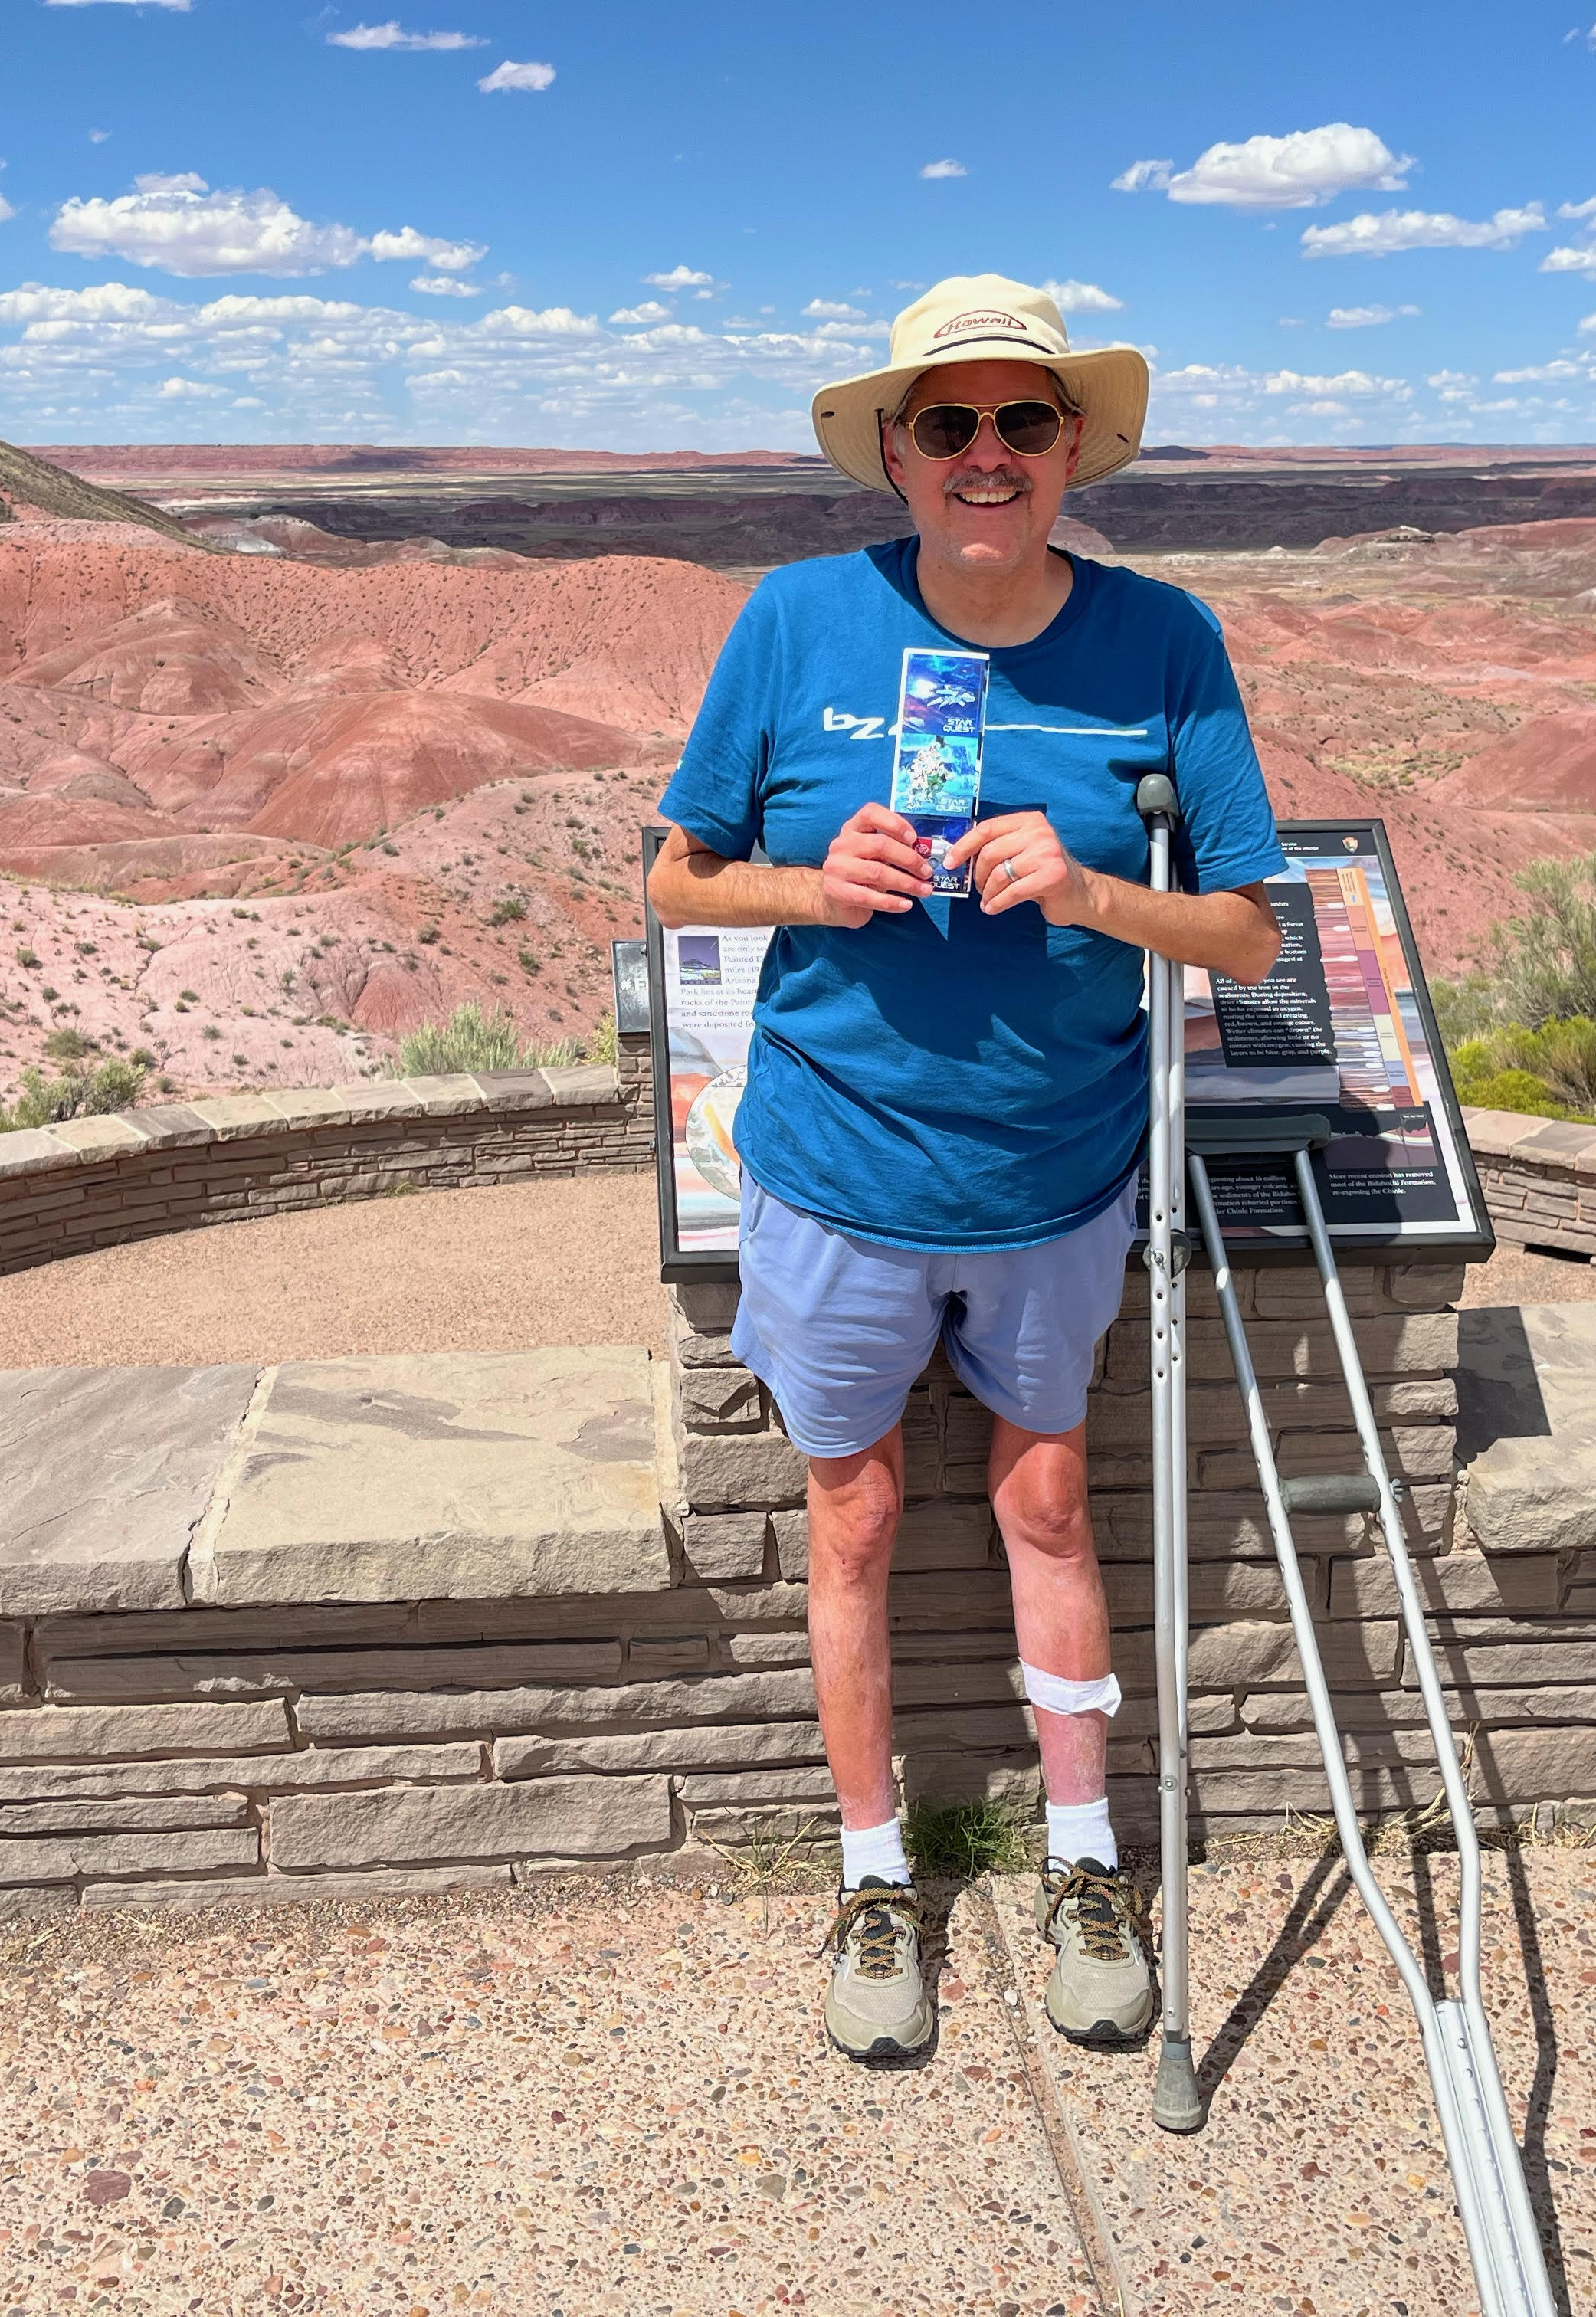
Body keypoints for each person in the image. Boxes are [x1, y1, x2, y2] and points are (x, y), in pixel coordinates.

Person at [645, 275, 1287, 2065]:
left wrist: (1086, 892)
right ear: (898, 456)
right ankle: (871, 1880)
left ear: (1073, 443)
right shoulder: (795, 624)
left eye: (1023, 421)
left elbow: (1242, 934)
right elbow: (677, 878)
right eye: (952, 425)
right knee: (849, 1514)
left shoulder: (1163, 640)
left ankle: (1084, 1855)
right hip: (835, 1167)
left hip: (1056, 1173)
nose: (988, 454)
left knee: (1051, 1500)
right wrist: (813, 883)